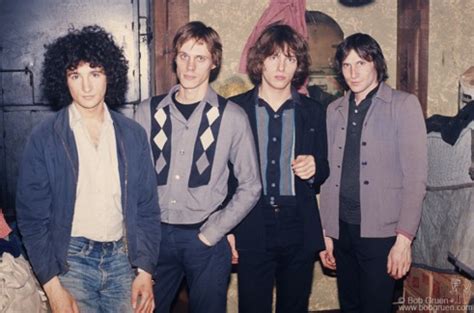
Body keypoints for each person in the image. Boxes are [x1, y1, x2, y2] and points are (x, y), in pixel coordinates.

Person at [15, 25, 161, 313]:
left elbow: (147, 208)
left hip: (123, 258)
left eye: (94, 73)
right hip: (70, 260)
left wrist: (145, 271)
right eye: (75, 76)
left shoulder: (132, 135)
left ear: (110, 75)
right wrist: (52, 287)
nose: (86, 86)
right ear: (64, 80)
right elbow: (32, 220)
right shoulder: (45, 137)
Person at [134, 21, 261, 313]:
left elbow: (251, 185)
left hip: (204, 239)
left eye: (200, 58)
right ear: (175, 59)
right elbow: (132, 180)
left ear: (213, 63)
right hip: (154, 240)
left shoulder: (232, 117)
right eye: (184, 56)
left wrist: (213, 231)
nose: (190, 66)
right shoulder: (146, 112)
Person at [319, 33, 427, 313]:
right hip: (342, 229)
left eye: (361, 63)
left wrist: (404, 240)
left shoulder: (403, 106)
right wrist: (327, 231)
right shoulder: (333, 110)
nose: (353, 72)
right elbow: (329, 176)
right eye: (346, 65)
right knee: (350, 305)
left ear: (376, 64)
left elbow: (416, 180)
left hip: (383, 234)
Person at [228, 24, 329, 313]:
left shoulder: (313, 111)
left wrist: (315, 167)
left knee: (295, 307)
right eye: (273, 57)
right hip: (250, 222)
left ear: (298, 65)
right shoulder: (235, 109)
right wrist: (228, 229)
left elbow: (324, 169)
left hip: (298, 224)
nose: (281, 66)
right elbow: (224, 176)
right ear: (260, 61)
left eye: (290, 58)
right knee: (252, 306)